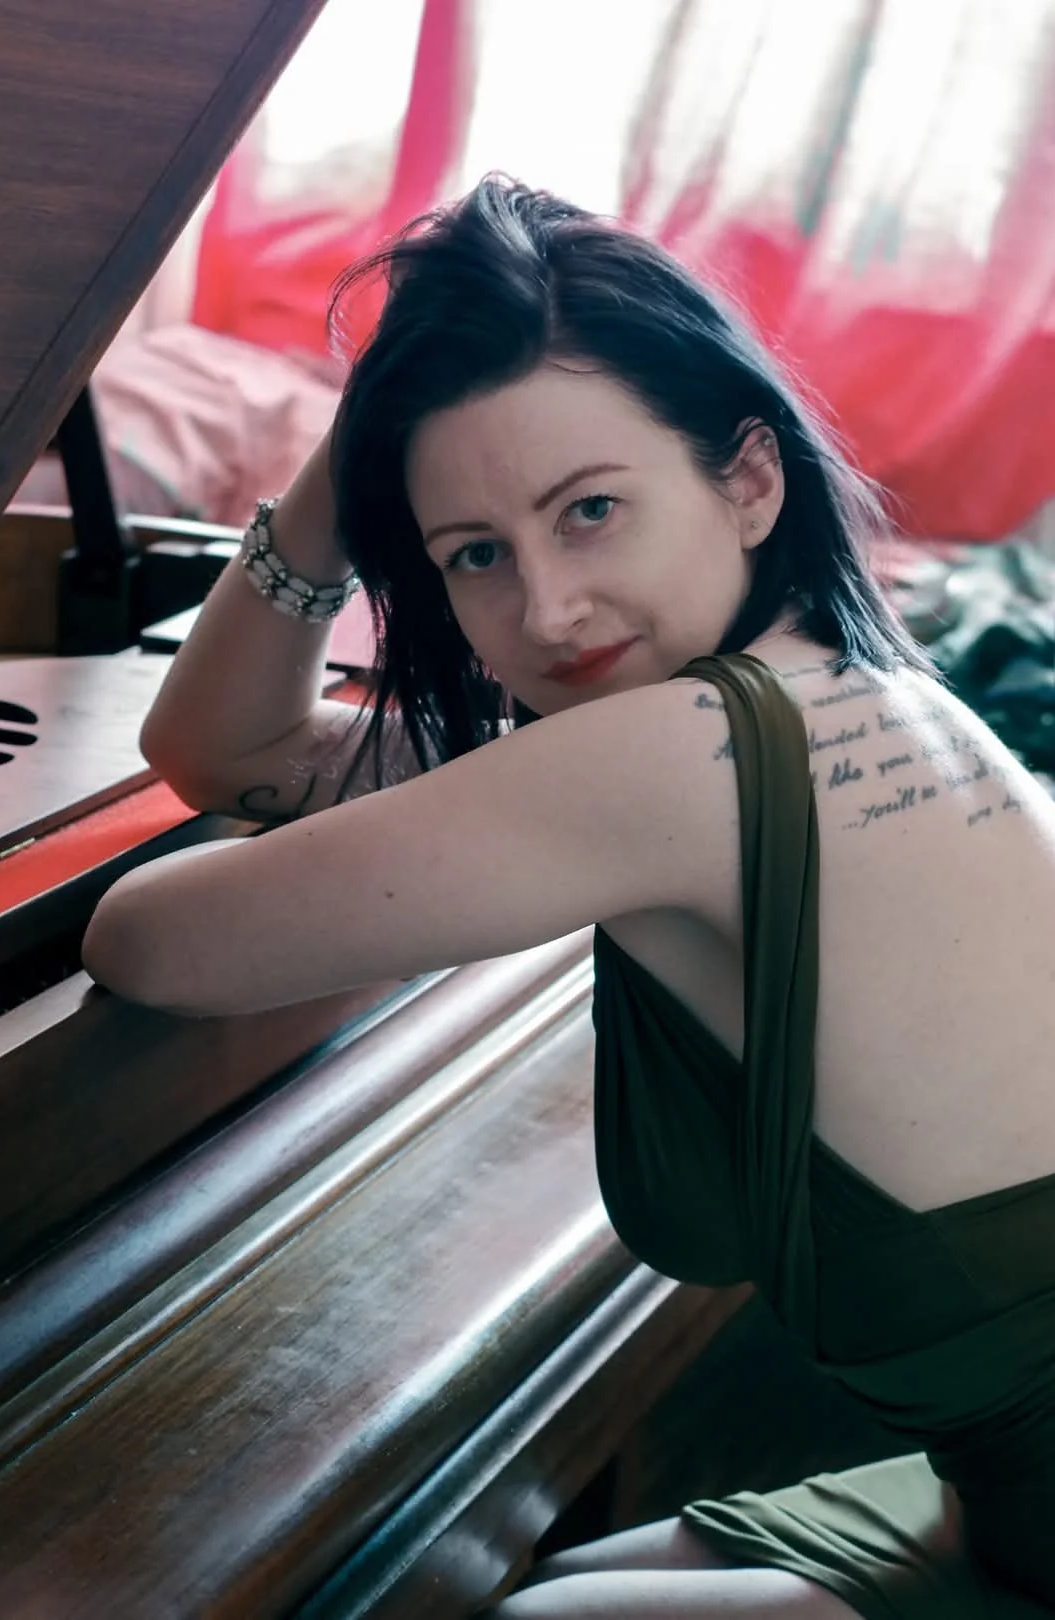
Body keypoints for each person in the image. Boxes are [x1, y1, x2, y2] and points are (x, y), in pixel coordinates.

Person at [81, 177, 1055, 1618]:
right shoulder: (848, 682)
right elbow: (218, 755)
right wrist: (344, 479)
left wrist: (344, 484)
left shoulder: (668, 757)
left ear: (748, 478)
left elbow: (147, 941)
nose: (546, 613)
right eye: (476, 554)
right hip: (1000, 1505)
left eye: (589, 511)